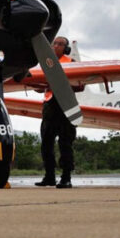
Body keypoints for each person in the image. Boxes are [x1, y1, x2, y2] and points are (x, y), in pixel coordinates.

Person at [36, 36, 77, 189]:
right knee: (46, 143)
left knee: (65, 143)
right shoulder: (46, 63)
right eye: (54, 43)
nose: (56, 46)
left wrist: (61, 83)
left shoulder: (72, 63)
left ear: (66, 49)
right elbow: (39, 87)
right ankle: (49, 176)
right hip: (49, 106)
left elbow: (81, 85)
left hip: (65, 105)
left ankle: (66, 177)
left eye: (60, 44)